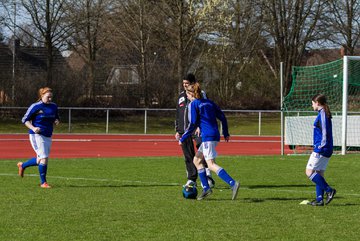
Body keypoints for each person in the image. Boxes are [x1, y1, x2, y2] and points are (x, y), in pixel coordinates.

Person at [179, 83, 240, 200]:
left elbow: (192, 124)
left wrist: (183, 137)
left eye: (187, 94)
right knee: (196, 160)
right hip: (214, 135)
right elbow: (222, 117)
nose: (187, 97)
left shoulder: (194, 104)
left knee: (211, 164)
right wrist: (226, 133)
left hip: (207, 136)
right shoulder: (210, 103)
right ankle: (206, 188)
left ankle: (233, 183)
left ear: (191, 94)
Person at [175, 73, 214, 188]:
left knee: (202, 151)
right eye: (183, 83)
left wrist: (200, 125)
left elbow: (205, 110)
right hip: (184, 130)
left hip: (197, 129)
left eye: (187, 83)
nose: (185, 85)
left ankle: (207, 176)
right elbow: (178, 114)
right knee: (188, 155)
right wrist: (178, 130)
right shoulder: (181, 96)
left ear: (193, 83)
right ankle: (191, 178)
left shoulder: (201, 94)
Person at [17, 87, 60, 188]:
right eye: (48, 97)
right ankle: (43, 183)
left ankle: (22, 165)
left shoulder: (54, 106)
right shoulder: (35, 106)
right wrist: (33, 127)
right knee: (44, 158)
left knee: (40, 159)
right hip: (36, 135)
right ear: (42, 96)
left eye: (51, 97)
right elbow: (24, 119)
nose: (50, 99)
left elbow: (56, 117)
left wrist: (56, 121)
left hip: (48, 135)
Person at [306, 94, 336, 206]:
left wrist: (320, 146)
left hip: (322, 148)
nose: (312, 105)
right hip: (326, 148)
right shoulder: (322, 113)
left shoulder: (323, 114)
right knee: (319, 173)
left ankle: (329, 190)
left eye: (312, 103)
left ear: (317, 103)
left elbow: (325, 132)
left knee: (309, 172)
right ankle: (319, 200)